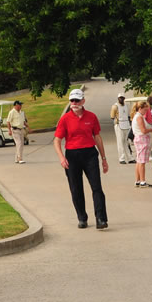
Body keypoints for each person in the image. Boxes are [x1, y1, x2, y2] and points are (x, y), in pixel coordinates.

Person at [53, 88, 109, 229]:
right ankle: (82, 217)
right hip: (72, 155)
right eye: (72, 100)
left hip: (89, 154)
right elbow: (57, 140)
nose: (74, 103)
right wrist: (61, 158)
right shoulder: (65, 119)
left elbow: (97, 137)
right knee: (76, 188)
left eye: (77, 100)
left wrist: (103, 158)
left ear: (83, 101)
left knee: (97, 187)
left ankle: (101, 219)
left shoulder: (91, 117)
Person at [131, 101, 152, 188]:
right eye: (145, 110)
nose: (146, 112)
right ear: (140, 109)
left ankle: (138, 180)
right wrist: (151, 129)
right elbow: (143, 130)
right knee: (142, 162)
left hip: (139, 138)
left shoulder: (137, 116)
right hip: (142, 139)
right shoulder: (139, 117)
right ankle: (142, 181)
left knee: (139, 160)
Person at [110, 94, 133, 164]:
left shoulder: (126, 106)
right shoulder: (115, 106)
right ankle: (121, 158)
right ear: (118, 98)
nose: (121, 99)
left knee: (126, 142)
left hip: (126, 125)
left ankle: (130, 158)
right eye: (120, 98)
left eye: (122, 98)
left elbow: (128, 115)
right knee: (120, 142)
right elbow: (112, 116)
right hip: (119, 124)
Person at [6, 100, 29, 164]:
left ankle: (16, 158)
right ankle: (20, 158)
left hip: (21, 129)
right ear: (16, 105)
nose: (21, 106)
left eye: (21, 105)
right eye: (20, 105)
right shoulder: (12, 112)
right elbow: (8, 122)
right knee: (19, 143)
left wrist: (28, 127)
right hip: (15, 130)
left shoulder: (22, 112)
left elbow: (24, 121)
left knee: (21, 144)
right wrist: (9, 130)